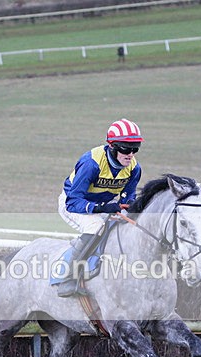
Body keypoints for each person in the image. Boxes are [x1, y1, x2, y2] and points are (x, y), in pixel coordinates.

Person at [56, 118, 143, 297]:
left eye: (135, 148)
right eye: (126, 148)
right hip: (73, 204)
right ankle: (68, 277)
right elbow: (73, 202)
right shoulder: (91, 163)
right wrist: (103, 207)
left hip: (102, 207)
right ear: (112, 146)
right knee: (95, 226)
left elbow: (127, 199)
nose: (131, 154)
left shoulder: (134, 168)